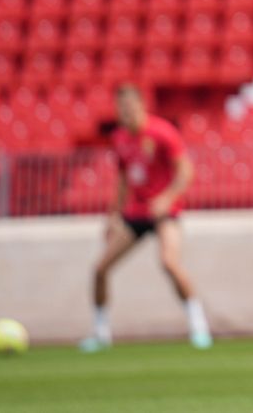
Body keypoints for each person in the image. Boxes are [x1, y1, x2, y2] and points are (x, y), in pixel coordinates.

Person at [81, 84, 211, 352]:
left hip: (165, 214)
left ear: (141, 106)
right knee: (100, 269)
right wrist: (112, 216)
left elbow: (185, 171)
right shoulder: (120, 139)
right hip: (136, 214)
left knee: (169, 263)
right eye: (121, 109)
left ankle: (199, 325)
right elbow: (122, 180)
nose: (125, 113)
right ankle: (101, 332)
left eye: (129, 107)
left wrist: (167, 198)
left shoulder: (162, 133)